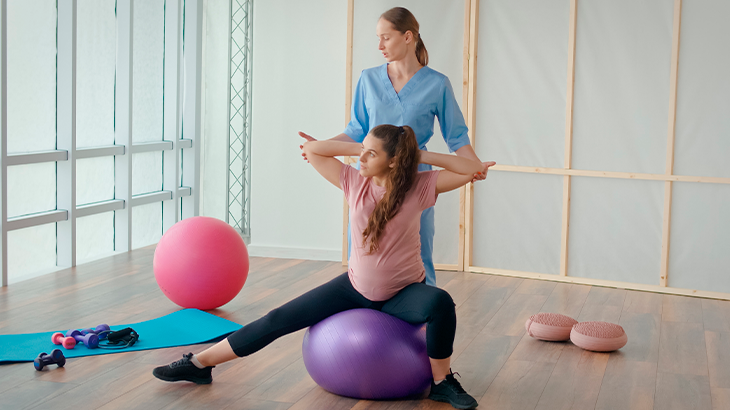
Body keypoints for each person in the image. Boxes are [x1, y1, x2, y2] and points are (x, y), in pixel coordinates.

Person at [153, 125, 495, 410]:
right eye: (362, 150)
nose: (360, 158)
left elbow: (470, 168)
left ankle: (441, 382)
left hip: (403, 294)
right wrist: (366, 145)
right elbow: (315, 150)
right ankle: (199, 364)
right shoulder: (353, 181)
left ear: (394, 161)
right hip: (354, 287)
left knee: (440, 303)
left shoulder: (419, 188)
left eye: (371, 154)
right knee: (277, 319)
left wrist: (417, 155)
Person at [300, 7, 488, 287]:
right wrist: (323, 147)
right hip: (372, 180)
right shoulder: (368, 79)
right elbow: (356, 132)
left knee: (418, 252)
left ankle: (422, 315)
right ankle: (363, 309)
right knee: (365, 247)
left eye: (386, 38)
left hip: (414, 180)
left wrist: (476, 166)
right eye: (378, 38)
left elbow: (457, 137)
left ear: (408, 36)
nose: (379, 46)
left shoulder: (437, 84)